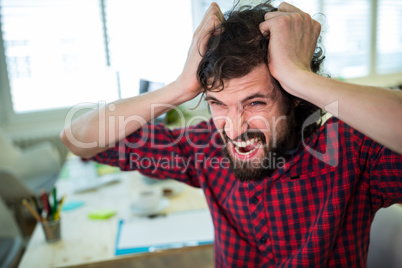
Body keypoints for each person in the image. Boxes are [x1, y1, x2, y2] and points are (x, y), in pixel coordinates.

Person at [61, 1, 402, 267]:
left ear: (296, 96)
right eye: (218, 104)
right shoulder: (205, 147)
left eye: (254, 102)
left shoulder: (349, 150)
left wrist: (300, 78)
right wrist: (180, 88)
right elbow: (78, 139)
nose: (235, 129)